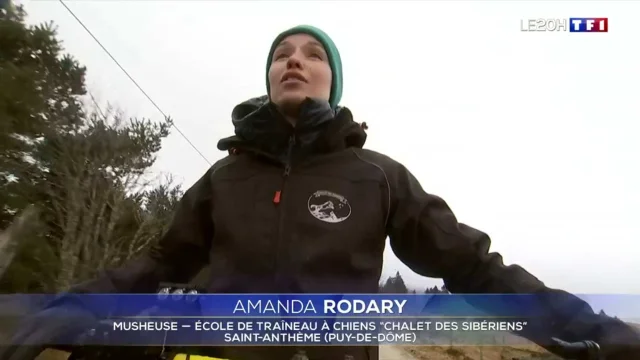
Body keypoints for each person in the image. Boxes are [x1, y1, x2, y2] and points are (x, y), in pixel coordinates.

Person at [3, 25, 640, 360]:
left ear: (331, 83)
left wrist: (594, 332)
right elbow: (160, 264)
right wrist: (67, 308)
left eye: (312, 54)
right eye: (283, 53)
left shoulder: (379, 176)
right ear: (270, 76)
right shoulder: (224, 179)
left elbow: (475, 268)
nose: (295, 60)